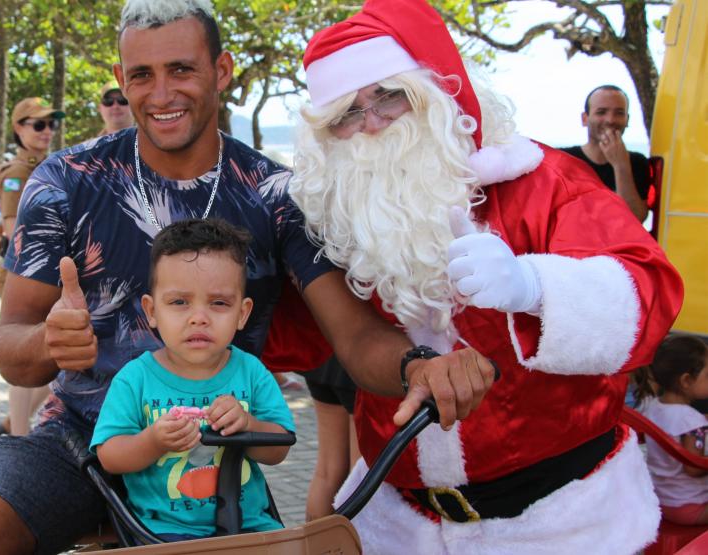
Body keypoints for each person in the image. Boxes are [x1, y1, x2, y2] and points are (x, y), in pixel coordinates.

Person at [0, 2, 494, 553]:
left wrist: (418, 365)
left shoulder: (278, 196)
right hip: (83, 441)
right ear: (120, 76)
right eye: (141, 75)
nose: (161, 95)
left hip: (220, 458)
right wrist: (48, 342)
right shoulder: (65, 181)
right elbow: (11, 346)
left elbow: (355, 336)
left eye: (181, 70)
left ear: (222, 70)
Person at [289, 0, 683, 552]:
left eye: (389, 96)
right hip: (401, 527)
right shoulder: (340, 218)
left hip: (562, 525)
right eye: (348, 114)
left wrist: (536, 287)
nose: (372, 125)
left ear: (436, 92)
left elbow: (650, 293)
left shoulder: (544, 181)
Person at [91, 218, 293, 541]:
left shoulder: (251, 372)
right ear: (151, 310)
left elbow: (279, 447)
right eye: (179, 302)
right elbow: (109, 456)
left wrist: (248, 425)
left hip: (250, 526)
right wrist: (153, 441)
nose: (199, 317)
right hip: (162, 533)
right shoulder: (135, 380)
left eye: (219, 303)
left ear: (242, 313)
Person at [0, 96, 65, 437]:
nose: (47, 131)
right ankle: (19, 434)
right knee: (27, 355)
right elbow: (11, 225)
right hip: (26, 273)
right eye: (38, 124)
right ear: (18, 129)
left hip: (50, 273)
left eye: (51, 124)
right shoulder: (17, 173)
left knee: (56, 358)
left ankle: (13, 423)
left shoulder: (49, 166)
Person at [639, 335, 708, 526]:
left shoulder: (652, 407)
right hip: (692, 506)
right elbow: (694, 468)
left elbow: (678, 424)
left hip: (661, 501)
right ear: (686, 380)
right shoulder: (692, 422)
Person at [561, 85, 650, 222]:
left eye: (619, 113)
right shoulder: (564, 160)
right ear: (585, 118)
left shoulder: (637, 162)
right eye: (601, 112)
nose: (610, 120)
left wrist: (621, 166)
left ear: (627, 119)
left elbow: (635, 220)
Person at [302, 355, 360, 521]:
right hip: (363, 365)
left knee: (327, 472)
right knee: (360, 475)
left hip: (324, 358)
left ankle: (313, 545)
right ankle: (355, 545)